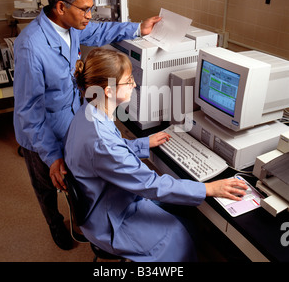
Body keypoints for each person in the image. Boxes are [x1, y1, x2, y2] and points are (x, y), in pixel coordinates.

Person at [13, 0, 161, 250]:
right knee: (47, 185)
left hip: (69, 120)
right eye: (85, 9)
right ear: (61, 7)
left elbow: (100, 32)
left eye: (91, 8)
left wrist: (138, 28)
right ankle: (55, 223)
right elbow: (28, 113)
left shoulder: (72, 25)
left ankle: (81, 217)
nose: (90, 15)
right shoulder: (31, 47)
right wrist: (52, 155)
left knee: (75, 180)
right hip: (39, 133)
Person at [64, 48, 248, 262]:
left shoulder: (89, 111)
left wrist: (143, 143)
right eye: (129, 80)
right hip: (111, 219)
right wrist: (208, 188)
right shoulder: (101, 140)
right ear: (108, 91)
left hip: (103, 201)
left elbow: (107, 153)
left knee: (184, 216)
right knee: (178, 237)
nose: (134, 85)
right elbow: (151, 185)